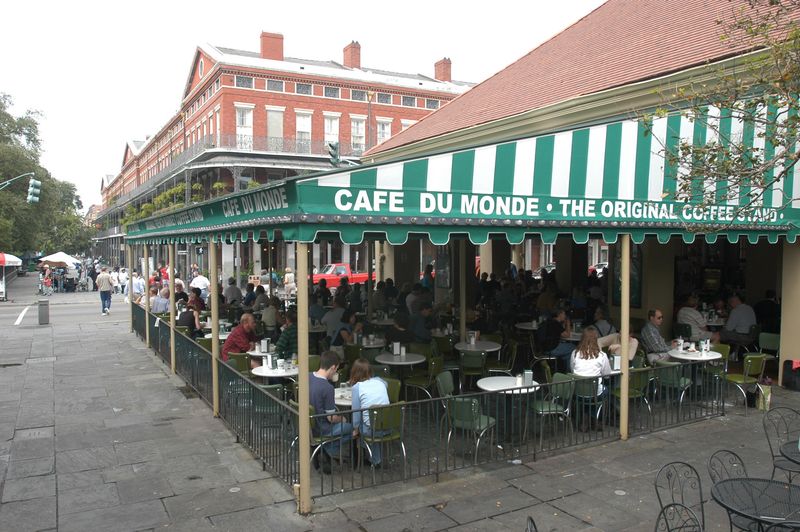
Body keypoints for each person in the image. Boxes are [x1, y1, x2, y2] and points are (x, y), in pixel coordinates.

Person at [309, 351, 353, 473]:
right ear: (333, 367)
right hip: (323, 428)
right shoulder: (327, 388)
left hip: (309, 427)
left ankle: (323, 449)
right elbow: (331, 418)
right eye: (336, 369)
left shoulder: (308, 376)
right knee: (354, 429)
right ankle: (327, 448)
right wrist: (342, 418)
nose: (336, 372)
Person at [349, 358, 390, 467]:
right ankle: (373, 458)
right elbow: (386, 384)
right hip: (389, 426)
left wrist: (355, 429)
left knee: (362, 426)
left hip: (372, 431)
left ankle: (371, 458)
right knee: (371, 419)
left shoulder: (357, 388)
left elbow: (356, 414)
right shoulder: (380, 381)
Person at [570, 326, 612, 430]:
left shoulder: (575, 353)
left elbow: (572, 371)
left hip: (577, 392)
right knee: (604, 391)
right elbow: (607, 375)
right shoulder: (602, 356)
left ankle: (585, 420)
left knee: (587, 394)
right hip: (594, 393)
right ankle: (596, 420)